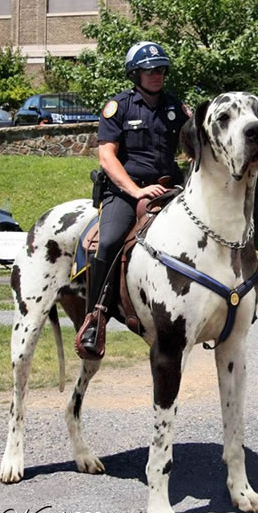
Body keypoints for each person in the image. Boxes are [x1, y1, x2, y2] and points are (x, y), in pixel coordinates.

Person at [75, 41, 191, 358]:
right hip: (126, 193)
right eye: (150, 70)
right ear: (135, 73)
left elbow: (196, 144)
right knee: (110, 241)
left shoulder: (176, 108)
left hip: (170, 190)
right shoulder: (118, 108)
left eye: (161, 69)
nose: (157, 74)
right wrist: (136, 191)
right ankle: (95, 317)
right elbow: (107, 158)